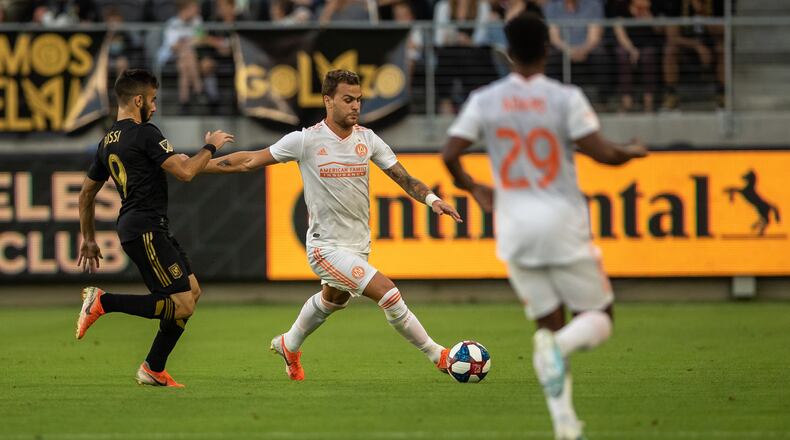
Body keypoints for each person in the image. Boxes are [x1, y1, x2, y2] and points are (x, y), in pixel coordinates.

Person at [441, 14, 647, 440]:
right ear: (548, 50)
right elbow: (602, 153)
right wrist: (628, 151)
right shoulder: (564, 98)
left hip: (514, 228)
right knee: (598, 317)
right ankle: (562, 349)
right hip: (562, 223)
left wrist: (474, 187)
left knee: (547, 326)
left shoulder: (485, 99)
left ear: (507, 52)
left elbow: (450, 152)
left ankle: (565, 425)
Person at [202, 69, 462, 381]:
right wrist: (199, 164)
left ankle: (289, 344)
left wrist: (433, 200)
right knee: (388, 293)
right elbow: (248, 161)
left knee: (334, 300)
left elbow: (403, 178)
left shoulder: (367, 139)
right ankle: (439, 355)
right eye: (348, 100)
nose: (356, 106)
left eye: (359, 100)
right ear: (328, 101)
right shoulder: (305, 140)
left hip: (358, 245)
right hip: (325, 247)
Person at [76, 69, 234, 387]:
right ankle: (103, 301)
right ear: (138, 100)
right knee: (181, 303)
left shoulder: (107, 142)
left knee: (192, 293)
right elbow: (185, 173)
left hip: (146, 227)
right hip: (145, 228)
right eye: (153, 99)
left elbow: (86, 194)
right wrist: (211, 146)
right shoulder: (146, 133)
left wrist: (89, 239)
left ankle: (153, 368)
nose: (155, 106)